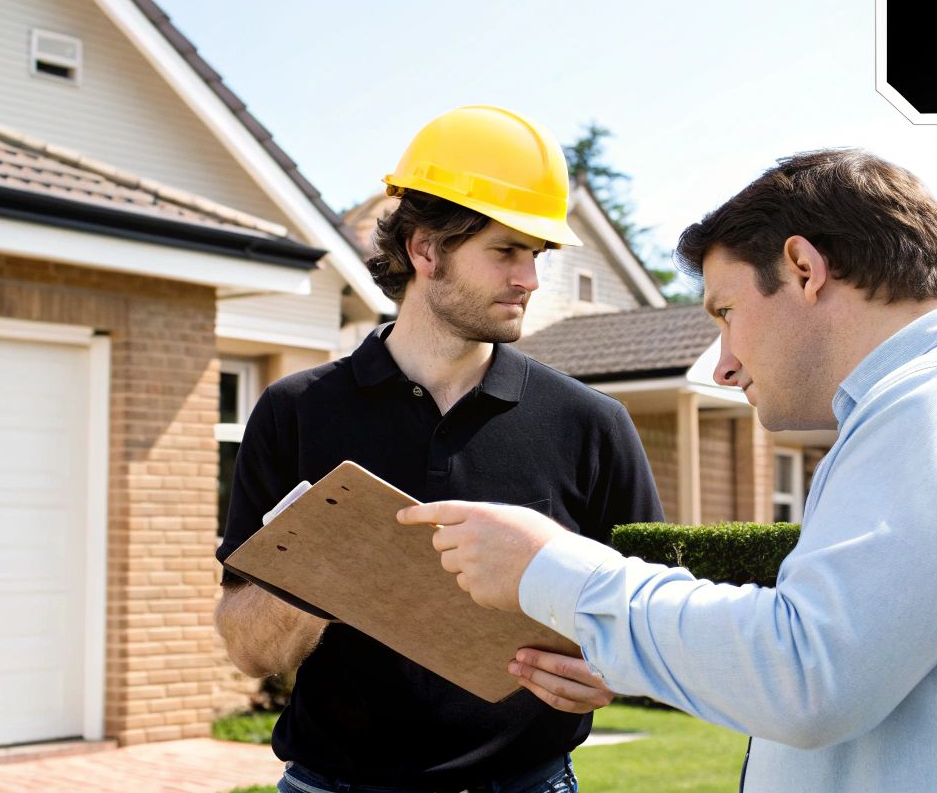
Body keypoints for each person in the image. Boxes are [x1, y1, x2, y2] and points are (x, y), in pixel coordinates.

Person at [400, 149, 937, 791]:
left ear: (803, 267)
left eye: (726, 312)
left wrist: (552, 571)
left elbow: (807, 674)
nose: (727, 364)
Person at [216, 106, 665, 793]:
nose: (530, 280)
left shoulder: (591, 424)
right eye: (506, 251)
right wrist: (327, 574)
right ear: (426, 251)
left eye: (536, 255)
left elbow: (652, 623)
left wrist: (607, 673)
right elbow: (248, 650)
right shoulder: (295, 412)